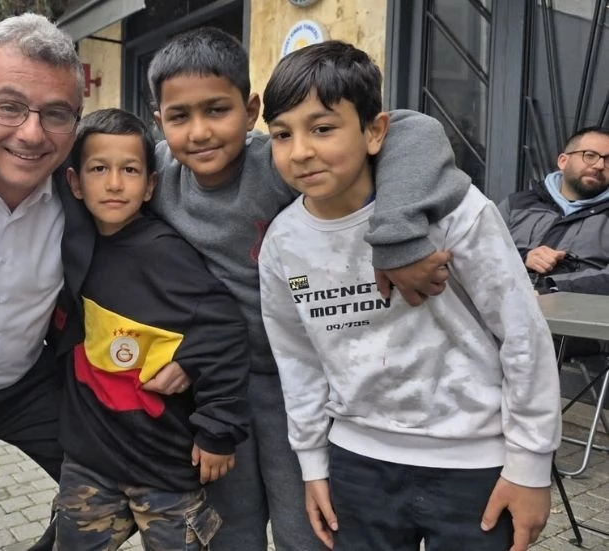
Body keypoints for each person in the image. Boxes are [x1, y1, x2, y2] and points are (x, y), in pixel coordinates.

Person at [0, 15, 455, 551]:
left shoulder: (103, 179)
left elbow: (407, 130)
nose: (31, 133)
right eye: (8, 106)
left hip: (35, 387)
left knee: (144, 472)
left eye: (56, 113)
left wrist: (397, 230)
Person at [146, 28, 469, 550]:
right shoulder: (155, 174)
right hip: (214, 385)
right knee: (229, 525)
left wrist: (397, 237)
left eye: (217, 110)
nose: (200, 132)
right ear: (159, 122)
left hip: (300, 380)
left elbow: (414, 129)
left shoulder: (280, 161)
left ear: (251, 111)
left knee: (307, 523)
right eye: (180, 116)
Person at [258, 40, 561, 551]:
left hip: (475, 465)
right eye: (282, 134)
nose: (301, 151)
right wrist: (312, 464)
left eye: (323, 128)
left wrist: (530, 466)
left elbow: (522, 335)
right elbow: (298, 361)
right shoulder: (282, 243)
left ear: (374, 131)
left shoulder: (456, 213)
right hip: (356, 464)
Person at [55, 108, 249, 550]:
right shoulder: (69, 242)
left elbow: (224, 331)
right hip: (90, 462)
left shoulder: (166, 254)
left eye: (130, 170)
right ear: (74, 182)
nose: (114, 183)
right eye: (98, 169)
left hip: (165, 466)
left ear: (150, 185)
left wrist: (218, 430)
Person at [499, 126, 609, 295]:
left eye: (608, 160)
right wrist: (523, 257)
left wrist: (553, 287)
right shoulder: (516, 205)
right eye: (589, 155)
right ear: (563, 161)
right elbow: (478, 252)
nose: (600, 165)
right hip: (500, 304)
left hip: (573, 309)